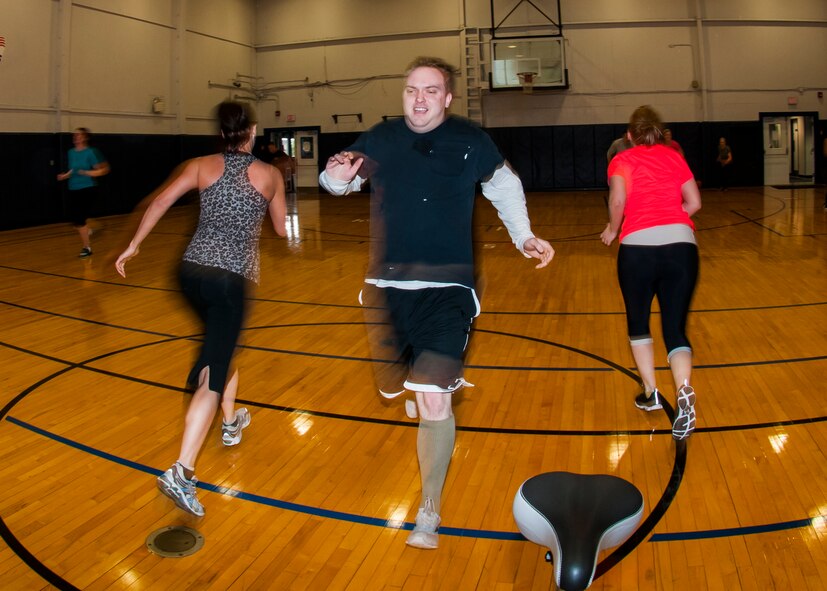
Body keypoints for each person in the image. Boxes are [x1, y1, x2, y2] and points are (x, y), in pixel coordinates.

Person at [319, 56, 554, 549]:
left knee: (433, 396)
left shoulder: (471, 139)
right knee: (405, 386)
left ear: (447, 98)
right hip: (386, 289)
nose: (419, 99)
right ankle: (418, 388)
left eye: (430, 91)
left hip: (449, 287)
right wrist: (336, 173)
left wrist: (524, 236)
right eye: (411, 90)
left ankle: (429, 508)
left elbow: (504, 184)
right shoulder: (379, 138)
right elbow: (337, 183)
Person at [115, 102, 287, 516]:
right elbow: (281, 229)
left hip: (189, 275)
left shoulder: (199, 165)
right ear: (253, 131)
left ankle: (230, 424)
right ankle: (182, 470)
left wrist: (134, 246)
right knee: (212, 371)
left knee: (221, 347)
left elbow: (159, 202)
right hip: (230, 282)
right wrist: (266, 205)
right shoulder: (269, 175)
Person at [600, 105, 702, 441]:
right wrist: (674, 219)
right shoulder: (674, 157)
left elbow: (617, 201)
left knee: (638, 323)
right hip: (681, 247)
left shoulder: (622, 160)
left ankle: (651, 392)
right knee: (675, 328)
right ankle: (683, 388)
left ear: (629, 136)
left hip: (638, 248)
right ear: (659, 132)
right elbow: (695, 203)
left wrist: (614, 230)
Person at [56, 127, 110, 258]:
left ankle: (87, 248)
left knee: (79, 218)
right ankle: (89, 230)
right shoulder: (71, 152)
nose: (76, 137)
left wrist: (87, 172)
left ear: (85, 137)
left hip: (88, 187)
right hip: (73, 187)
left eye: (79, 135)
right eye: (74, 135)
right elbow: (73, 170)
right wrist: (65, 176)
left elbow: (103, 170)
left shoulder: (90, 152)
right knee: (75, 219)